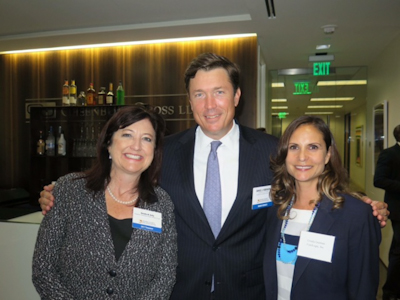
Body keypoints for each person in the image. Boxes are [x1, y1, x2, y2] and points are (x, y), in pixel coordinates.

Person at [38, 53, 388, 300]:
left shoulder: (271, 151)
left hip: (248, 290)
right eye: (199, 94)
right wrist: (62, 190)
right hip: (180, 290)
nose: (210, 105)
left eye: (219, 92)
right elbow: (124, 172)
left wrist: (360, 203)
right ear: (189, 100)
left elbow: (307, 182)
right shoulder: (164, 151)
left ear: (236, 96)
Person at [32, 105, 178, 299]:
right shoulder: (69, 190)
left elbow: (164, 277)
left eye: (147, 139)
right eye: (127, 135)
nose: (137, 146)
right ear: (108, 143)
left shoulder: (161, 204)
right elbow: (43, 269)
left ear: (154, 151)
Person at [263, 116, 381, 300]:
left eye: (313, 147)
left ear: (327, 155)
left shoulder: (354, 214)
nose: (302, 157)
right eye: (294, 147)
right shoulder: (275, 209)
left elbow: (362, 289)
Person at [374, 124, 400, 300]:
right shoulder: (389, 154)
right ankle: (390, 292)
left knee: (397, 249)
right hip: (398, 208)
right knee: (399, 251)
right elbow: (379, 180)